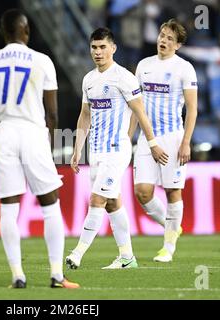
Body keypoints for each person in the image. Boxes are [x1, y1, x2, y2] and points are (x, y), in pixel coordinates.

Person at [0, 9, 79, 289]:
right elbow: (53, 114)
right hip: (34, 132)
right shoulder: (42, 60)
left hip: (5, 132)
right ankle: (57, 275)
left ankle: (17, 276)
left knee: (9, 209)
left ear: (2, 32)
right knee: (50, 204)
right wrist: (51, 142)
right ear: (27, 32)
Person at [65, 27, 169, 270]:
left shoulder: (123, 77)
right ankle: (127, 257)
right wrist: (77, 148)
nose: (98, 52)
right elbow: (85, 114)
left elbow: (140, 112)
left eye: (103, 47)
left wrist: (152, 143)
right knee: (112, 203)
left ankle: (77, 254)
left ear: (113, 48)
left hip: (117, 150)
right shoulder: (88, 79)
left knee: (97, 199)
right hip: (96, 151)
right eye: (94, 47)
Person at [132, 19, 198, 263]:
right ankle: (172, 227)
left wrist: (186, 142)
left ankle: (167, 249)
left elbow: (192, 110)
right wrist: (129, 137)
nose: (164, 40)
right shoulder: (143, 65)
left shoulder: (184, 68)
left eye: (170, 38)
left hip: (172, 137)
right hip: (147, 139)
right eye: (162, 35)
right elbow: (135, 107)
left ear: (178, 45)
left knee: (172, 191)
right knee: (142, 192)